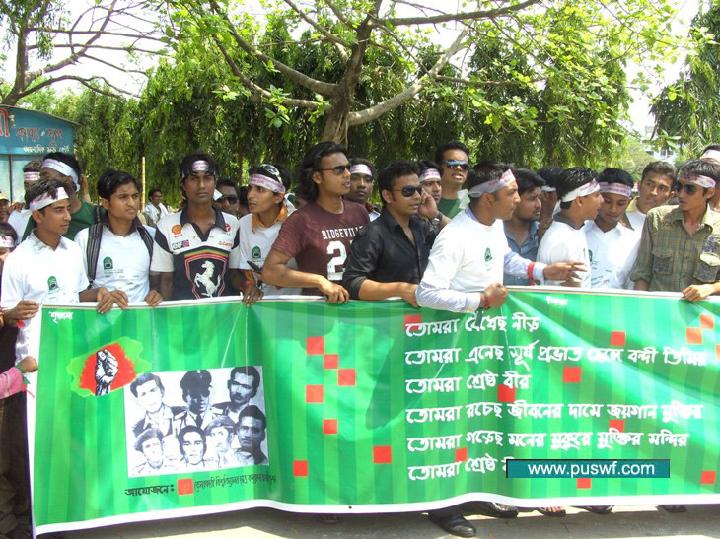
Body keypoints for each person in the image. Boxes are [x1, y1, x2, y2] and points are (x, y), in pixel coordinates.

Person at [416, 164, 580, 312]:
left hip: (488, 328)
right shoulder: (454, 238)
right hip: (460, 332)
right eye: (511, 193)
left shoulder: (495, 223)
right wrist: (482, 299)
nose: (517, 199)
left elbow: (504, 258)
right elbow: (426, 294)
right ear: (488, 198)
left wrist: (542, 271)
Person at [1, 179, 124, 366]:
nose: (67, 217)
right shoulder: (18, 260)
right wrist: (13, 313)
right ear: (38, 216)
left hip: (74, 355)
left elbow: (77, 296)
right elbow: (7, 315)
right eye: (59, 210)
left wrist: (98, 293)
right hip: (36, 361)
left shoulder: (73, 250)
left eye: (67, 209)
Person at [262, 142, 369, 302]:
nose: (347, 174)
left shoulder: (359, 213)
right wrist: (319, 281)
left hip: (361, 309)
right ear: (317, 177)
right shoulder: (301, 220)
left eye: (348, 168)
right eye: (338, 170)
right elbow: (270, 271)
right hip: (320, 313)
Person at [342, 161, 448, 305]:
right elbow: (352, 282)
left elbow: (458, 243)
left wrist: (435, 215)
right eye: (408, 191)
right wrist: (400, 290)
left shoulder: (422, 227)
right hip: (389, 316)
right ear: (387, 195)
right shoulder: (372, 234)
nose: (417, 197)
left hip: (425, 316)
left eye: (418, 190)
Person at [150, 154, 240, 301]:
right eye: (193, 178)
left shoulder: (233, 224)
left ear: (215, 183)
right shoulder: (166, 226)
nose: (201, 185)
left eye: (207, 178)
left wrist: (249, 285)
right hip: (183, 314)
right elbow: (166, 281)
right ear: (183, 185)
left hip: (223, 313)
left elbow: (235, 275)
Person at [631, 159, 720, 300]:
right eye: (679, 187)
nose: (681, 194)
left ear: (709, 192)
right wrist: (640, 306)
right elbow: (642, 273)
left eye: (690, 189)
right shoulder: (657, 218)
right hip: (659, 308)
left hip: (701, 311)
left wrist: (711, 288)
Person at [74, 169, 162, 306]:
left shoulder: (151, 236)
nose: (131, 203)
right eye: (123, 197)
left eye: (135, 196)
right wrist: (99, 294)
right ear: (106, 203)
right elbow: (73, 293)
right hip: (101, 318)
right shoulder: (87, 239)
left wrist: (156, 294)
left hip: (142, 318)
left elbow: (161, 283)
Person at [230, 164, 300, 302]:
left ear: (278, 197)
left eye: (260, 189)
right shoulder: (243, 225)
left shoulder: (298, 222)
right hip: (259, 306)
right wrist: (248, 285)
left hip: (297, 306)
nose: (250, 195)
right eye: (250, 188)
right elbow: (237, 273)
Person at [537, 168, 603, 288]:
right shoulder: (561, 240)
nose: (602, 200)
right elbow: (566, 295)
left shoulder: (576, 230)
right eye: (597, 195)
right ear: (580, 200)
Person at [20, 152, 101, 240]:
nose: (40, 182)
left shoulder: (98, 216)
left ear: (68, 180)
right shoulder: (39, 218)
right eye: (40, 177)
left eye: (45, 176)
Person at [585, 168, 639, 289]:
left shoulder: (634, 241)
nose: (613, 209)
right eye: (608, 201)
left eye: (620, 203)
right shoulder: (578, 232)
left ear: (628, 202)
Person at [503, 168, 544, 285]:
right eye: (532, 198)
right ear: (515, 199)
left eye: (539, 198)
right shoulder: (495, 233)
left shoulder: (542, 234)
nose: (538, 205)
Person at [625, 161, 675, 234]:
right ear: (639, 185)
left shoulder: (674, 223)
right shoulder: (618, 211)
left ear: (670, 195)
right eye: (649, 184)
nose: (653, 192)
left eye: (662, 188)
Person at [130, 372, 183, 438]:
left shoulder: (183, 413)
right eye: (143, 394)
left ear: (162, 391)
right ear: (138, 402)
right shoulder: (136, 430)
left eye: (153, 390)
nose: (150, 398)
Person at [435, 141, 470, 218]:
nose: (459, 168)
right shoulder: (423, 202)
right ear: (439, 167)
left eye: (464, 166)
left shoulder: (475, 204)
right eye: (452, 164)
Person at [8, 161, 41, 244]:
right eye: (26, 185)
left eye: (34, 185)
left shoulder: (51, 214)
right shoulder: (16, 215)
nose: (29, 189)